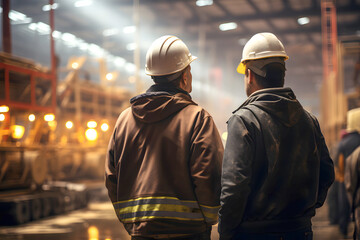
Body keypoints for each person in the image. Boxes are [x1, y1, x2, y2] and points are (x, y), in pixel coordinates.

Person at [218, 32, 335, 240]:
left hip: (253, 233)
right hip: (300, 230)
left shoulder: (244, 121)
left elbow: (234, 188)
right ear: (282, 73)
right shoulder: (309, 120)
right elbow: (327, 173)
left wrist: (226, 232)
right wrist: (304, 209)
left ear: (250, 75)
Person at [105, 35, 223, 239]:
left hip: (141, 234)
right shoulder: (197, 119)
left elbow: (112, 177)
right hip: (189, 233)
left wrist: (132, 222)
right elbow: (209, 176)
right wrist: (209, 218)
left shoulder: (124, 120)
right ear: (185, 76)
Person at [339, 108, 360, 237]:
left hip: (346, 179)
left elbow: (338, 162)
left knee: (345, 205)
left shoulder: (343, 143)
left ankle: (343, 229)